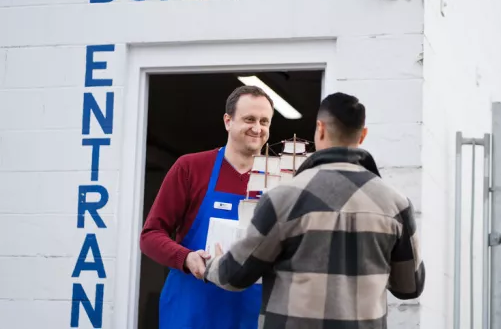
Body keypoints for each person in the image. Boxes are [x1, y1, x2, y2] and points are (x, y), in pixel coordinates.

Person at [202, 92, 426, 329]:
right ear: (363, 135)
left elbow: (235, 275)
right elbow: (410, 287)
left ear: (319, 129)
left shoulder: (282, 198)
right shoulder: (396, 204)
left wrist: (210, 264)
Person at [140, 85, 275, 329]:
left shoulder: (278, 182)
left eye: (264, 121)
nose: (257, 128)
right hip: (193, 309)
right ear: (228, 121)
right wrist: (186, 257)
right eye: (249, 119)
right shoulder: (191, 168)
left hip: (251, 314)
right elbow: (150, 236)